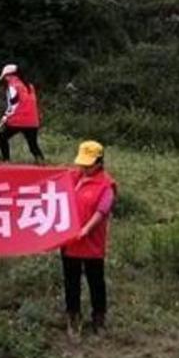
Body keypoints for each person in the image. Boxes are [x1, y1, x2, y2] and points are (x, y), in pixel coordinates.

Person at [61, 140, 116, 339]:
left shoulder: (106, 185)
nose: (84, 168)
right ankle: (73, 317)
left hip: (92, 241)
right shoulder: (72, 177)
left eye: (89, 165)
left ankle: (98, 318)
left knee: (96, 281)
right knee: (71, 280)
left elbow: (102, 210)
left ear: (99, 163)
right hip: (69, 240)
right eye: (82, 164)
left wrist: (86, 229)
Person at [0, 63, 44, 162]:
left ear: (9, 75)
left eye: (5, 76)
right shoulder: (30, 86)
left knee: (2, 137)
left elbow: (13, 103)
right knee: (33, 144)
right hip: (32, 121)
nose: (5, 79)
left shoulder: (12, 86)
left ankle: (6, 160)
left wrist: (6, 116)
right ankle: (41, 161)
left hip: (18, 119)